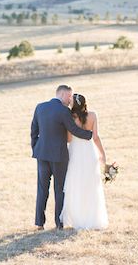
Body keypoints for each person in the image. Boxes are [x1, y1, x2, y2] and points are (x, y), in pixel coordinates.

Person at [31, 85, 93, 230]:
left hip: (42, 154)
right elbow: (73, 130)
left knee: (42, 189)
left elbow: (34, 130)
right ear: (63, 94)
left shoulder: (40, 107)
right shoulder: (63, 110)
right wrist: (89, 135)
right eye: (70, 96)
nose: (70, 99)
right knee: (60, 189)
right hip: (58, 156)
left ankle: (40, 223)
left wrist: (36, 148)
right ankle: (59, 224)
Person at [60, 93, 108, 230]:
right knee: (91, 184)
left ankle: (78, 218)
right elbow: (96, 137)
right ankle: (92, 218)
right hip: (89, 153)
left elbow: (69, 140)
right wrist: (103, 154)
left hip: (75, 153)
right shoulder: (93, 115)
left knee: (76, 184)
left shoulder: (70, 118)